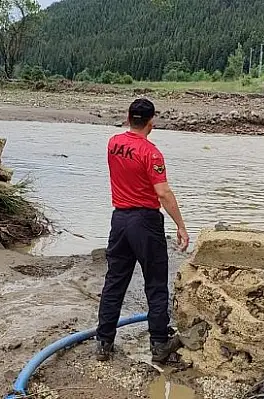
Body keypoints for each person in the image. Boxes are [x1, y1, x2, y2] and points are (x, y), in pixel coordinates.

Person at [95, 98, 190, 363]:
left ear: (127, 117)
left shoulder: (114, 143)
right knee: (156, 283)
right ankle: (159, 343)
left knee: (115, 282)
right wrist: (181, 226)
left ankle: (104, 342)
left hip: (120, 220)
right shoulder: (152, 153)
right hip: (145, 221)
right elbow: (163, 193)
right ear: (152, 122)